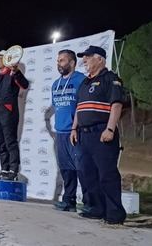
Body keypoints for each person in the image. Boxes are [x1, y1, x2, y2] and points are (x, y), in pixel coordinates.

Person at [70, 45, 126, 225]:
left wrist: (110, 129)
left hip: (102, 133)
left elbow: (116, 105)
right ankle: (96, 208)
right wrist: (74, 129)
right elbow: (79, 108)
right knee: (88, 173)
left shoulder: (111, 79)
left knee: (107, 174)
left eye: (88, 57)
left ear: (100, 59)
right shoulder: (84, 83)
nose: (84, 60)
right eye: (83, 57)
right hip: (83, 135)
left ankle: (114, 214)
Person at [51, 49, 87, 212]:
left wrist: (76, 126)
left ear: (72, 62)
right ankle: (69, 199)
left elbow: (83, 106)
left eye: (62, 60)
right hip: (60, 132)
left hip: (77, 131)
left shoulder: (81, 80)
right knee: (66, 168)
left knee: (82, 167)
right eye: (58, 60)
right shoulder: (55, 84)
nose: (59, 64)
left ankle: (89, 202)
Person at [0, 50, 29, 181]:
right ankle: (4, 169)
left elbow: (25, 84)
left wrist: (16, 71)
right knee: (1, 143)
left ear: (7, 59)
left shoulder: (13, 73)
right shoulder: (0, 75)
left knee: (10, 142)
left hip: (8, 111)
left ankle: (13, 170)